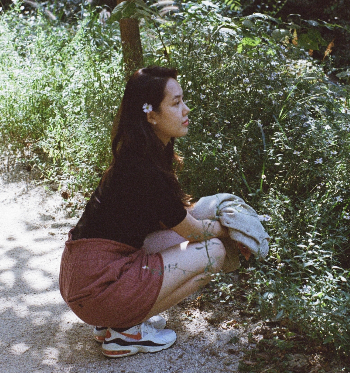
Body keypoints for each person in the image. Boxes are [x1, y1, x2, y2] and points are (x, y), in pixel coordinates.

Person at [59, 66, 229, 358]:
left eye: (183, 100)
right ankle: (126, 330)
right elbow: (193, 231)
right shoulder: (145, 170)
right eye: (176, 103)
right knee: (214, 251)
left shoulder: (138, 155)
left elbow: (177, 222)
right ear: (151, 115)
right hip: (98, 286)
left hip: (86, 280)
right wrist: (229, 229)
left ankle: (113, 320)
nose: (186, 109)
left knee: (193, 227)